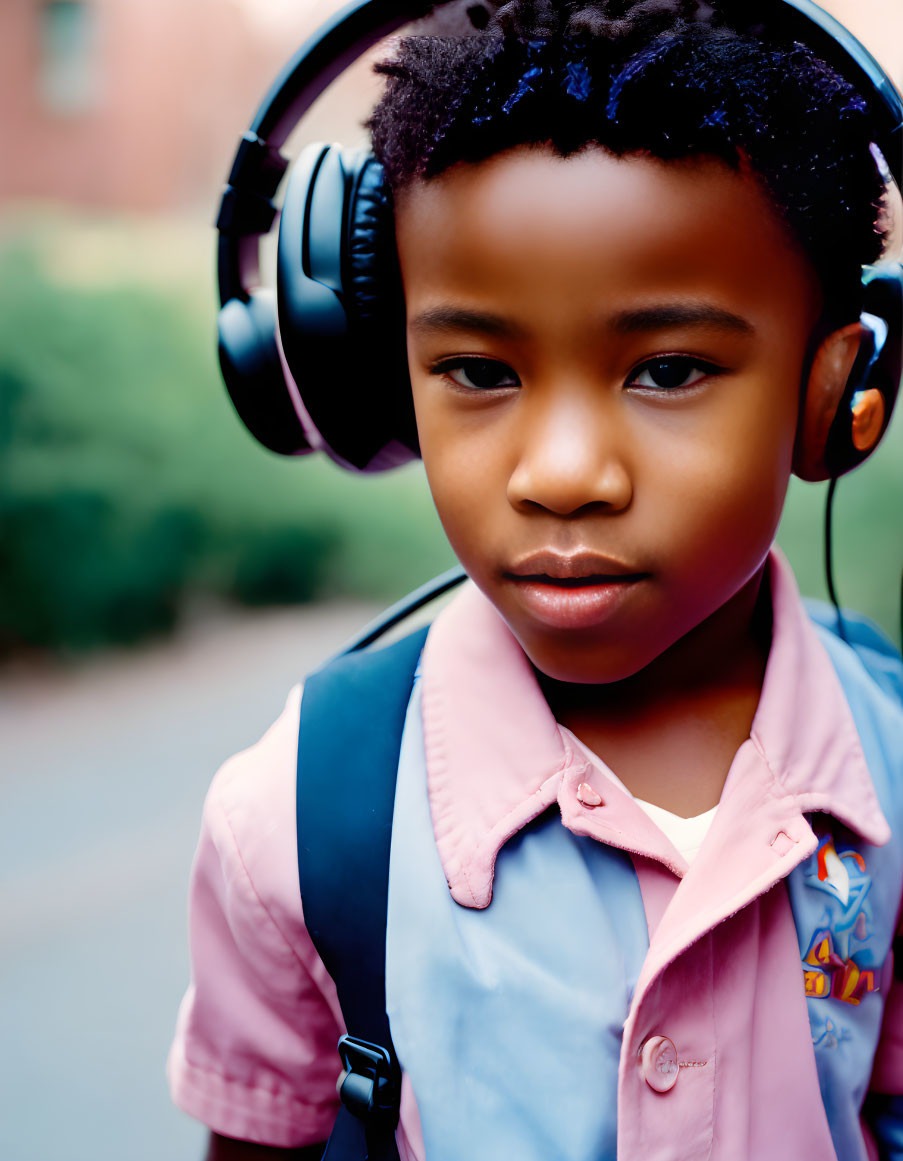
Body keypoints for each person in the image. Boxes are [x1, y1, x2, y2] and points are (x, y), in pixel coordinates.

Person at [168, 1, 903, 1158]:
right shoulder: (301, 819)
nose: (564, 475)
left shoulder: (895, 758)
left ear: (834, 395)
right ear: (377, 377)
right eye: (476, 368)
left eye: (667, 369)